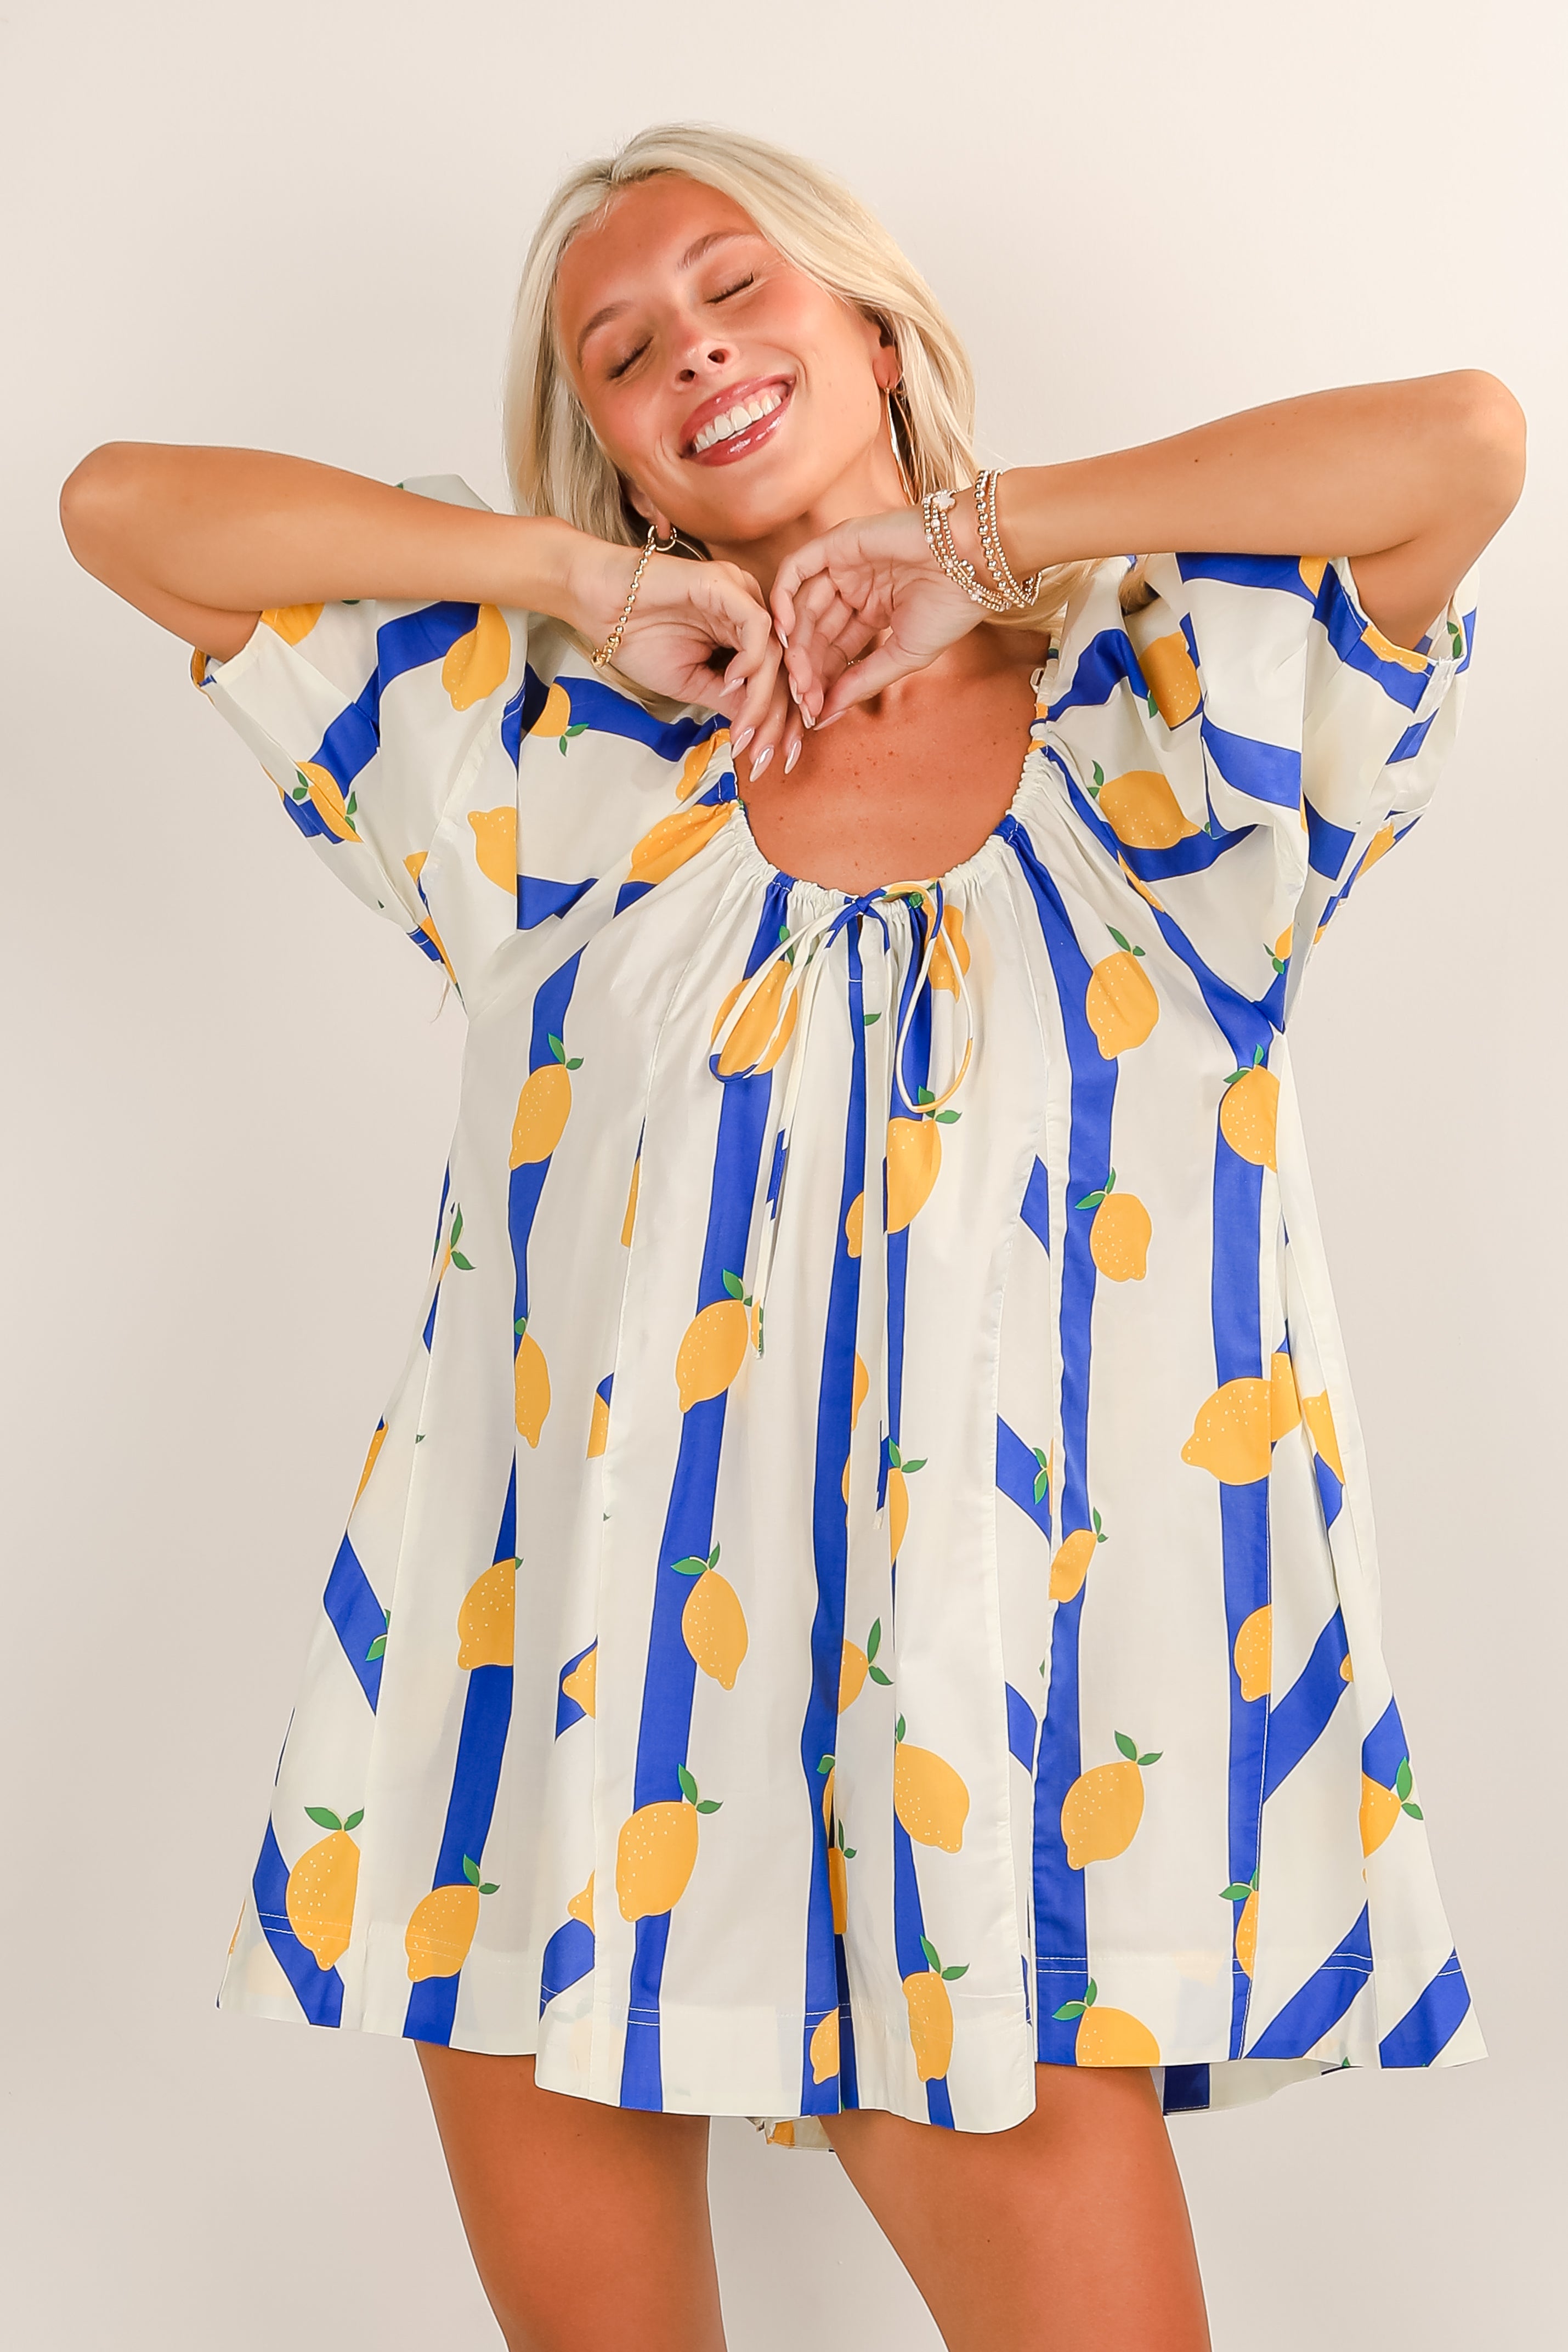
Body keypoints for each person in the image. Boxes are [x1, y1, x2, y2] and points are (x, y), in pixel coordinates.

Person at [59, 122, 1523, 2352]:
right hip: (560, 1752)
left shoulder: (1168, 743)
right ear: (615, 449)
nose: (693, 354)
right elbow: (120, 514)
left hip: (982, 1777)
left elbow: (1460, 447)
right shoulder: (542, 772)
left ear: (872, 325)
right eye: (623, 350)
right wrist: (562, 577)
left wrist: (980, 542)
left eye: (740, 288)